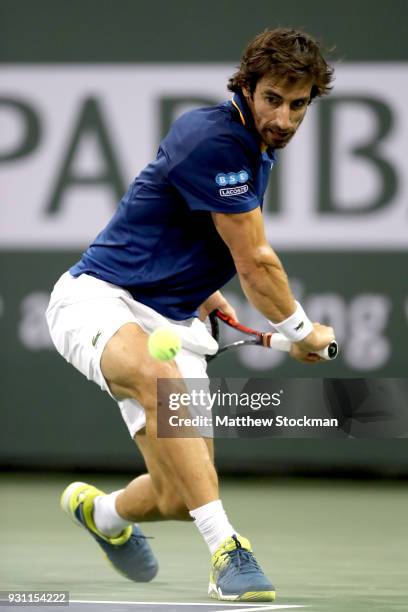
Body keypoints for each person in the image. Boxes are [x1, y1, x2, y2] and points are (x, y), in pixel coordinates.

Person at [46, 27, 335, 602]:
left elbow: (185, 227)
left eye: (297, 104)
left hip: (173, 318)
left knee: (179, 495)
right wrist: (299, 330)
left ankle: (100, 515)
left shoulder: (254, 147)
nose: (283, 118)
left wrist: (198, 289)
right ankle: (228, 550)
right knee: (162, 383)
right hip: (98, 297)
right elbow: (254, 260)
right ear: (248, 89)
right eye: (273, 99)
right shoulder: (214, 139)